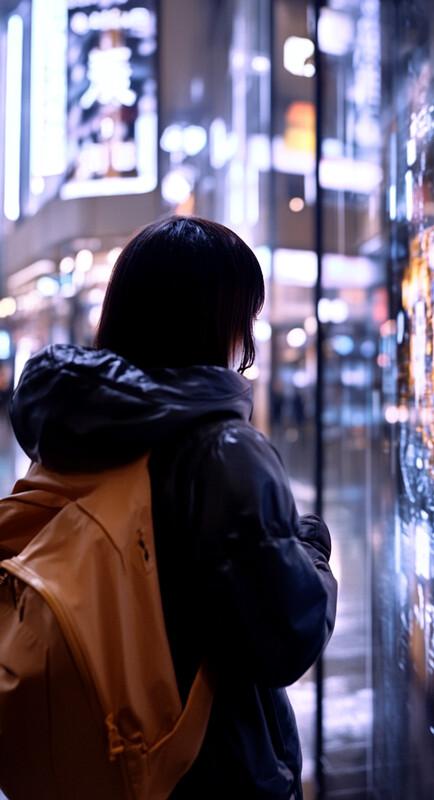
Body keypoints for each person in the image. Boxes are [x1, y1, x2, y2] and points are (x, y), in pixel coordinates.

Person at [8, 215, 337, 799]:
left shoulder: (80, 426)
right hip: (201, 766)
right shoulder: (220, 450)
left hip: (112, 745)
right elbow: (286, 636)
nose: (251, 347)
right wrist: (310, 548)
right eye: (246, 320)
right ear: (214, 322)